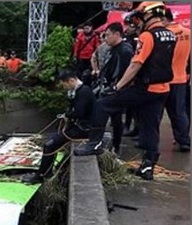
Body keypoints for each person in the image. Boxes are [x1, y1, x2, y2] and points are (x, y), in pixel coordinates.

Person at [75, 2, 177, 181]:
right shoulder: (170, 34)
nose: (137, 23)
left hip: (145, 88)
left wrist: (118, 86)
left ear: (148, 15)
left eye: (139, 19)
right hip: (163, 89)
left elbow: (136, 64)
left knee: (102, 104)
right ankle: (147, 166)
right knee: (150, 127)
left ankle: (95, 143)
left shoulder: (148, 36)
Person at [21, 69, 96, 184]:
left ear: (71, 80)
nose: (64, 87)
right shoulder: (79, 91)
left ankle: (41, 175)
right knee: (52, 140)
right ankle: (46, 171)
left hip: (82, 129)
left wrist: (67, 115)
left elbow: (79, 112)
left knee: (49, 145)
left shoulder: (83, 92)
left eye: (64, 84)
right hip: (79, 126)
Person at [94, 22, 135, 154]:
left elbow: (126, 72)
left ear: (117, 34)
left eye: (107, 35)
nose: (105, 38)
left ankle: (113, 146)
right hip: (110, 87)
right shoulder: (113, 49)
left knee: (109, 116)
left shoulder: (125, 51)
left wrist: (116, 87)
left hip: (117, 89)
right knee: (114, 119)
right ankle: (111, 146)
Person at [162, 8, 191, 152]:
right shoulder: (188, 32)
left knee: (157, 111)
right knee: (179, 112)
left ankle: (149, 141)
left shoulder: (163, 35)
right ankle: (184, 140)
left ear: (164, 19)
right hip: (181, 78)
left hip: (163, 79)